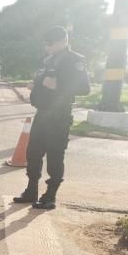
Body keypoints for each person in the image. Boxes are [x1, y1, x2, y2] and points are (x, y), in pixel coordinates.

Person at [13, 26, 90, 210]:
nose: (47, 47)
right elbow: (44, 80)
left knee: (55, 156)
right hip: (42, 113)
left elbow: (84, 89)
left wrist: (58, 85)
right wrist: (35, 84)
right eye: (45, 44)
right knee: (33, 153)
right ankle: (31, 190)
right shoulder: (49, 60)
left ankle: (50, 196)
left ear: (63, 41)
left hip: (59, 116)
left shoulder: (75, 60)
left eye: (50, 44)